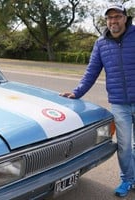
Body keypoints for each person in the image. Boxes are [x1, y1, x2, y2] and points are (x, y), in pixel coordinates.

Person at [60, 4, 135, 198]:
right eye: (109, 18)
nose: (113, 21)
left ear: (125, 18)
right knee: (125, 145)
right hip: (119, 103)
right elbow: (91, 72)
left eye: (117, 16)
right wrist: (76, 92)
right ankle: (128, 179)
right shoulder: (101, 43)